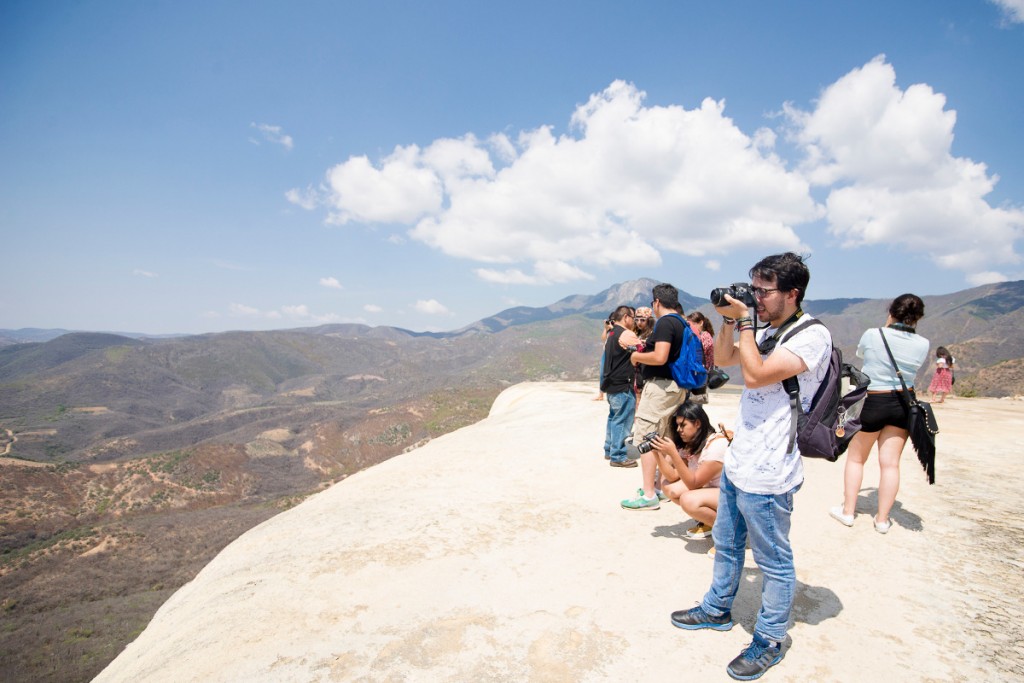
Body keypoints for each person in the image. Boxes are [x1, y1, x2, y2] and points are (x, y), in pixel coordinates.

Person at [670, 252, 831, 681]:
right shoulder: (764, 328)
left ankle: (771, 638)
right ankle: (717, 608)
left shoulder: (811, 336)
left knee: (773, 559)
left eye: (764, 291)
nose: (756, 297)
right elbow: (723, 361)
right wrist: (730, 320)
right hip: (741, 462)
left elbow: (757, 375)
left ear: (792, 293)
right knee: (726, 541)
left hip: (771, 470)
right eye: (753, 289)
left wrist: (744, 320)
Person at [830, 294, 929, 534]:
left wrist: (887, 326)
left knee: (856, 459)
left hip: (874, 400)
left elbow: (864, 355)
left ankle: (848, 512)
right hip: (903, 404)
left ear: (891, 311)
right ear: (917, 318)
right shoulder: (923, 343)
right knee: (890, 464)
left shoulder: (874, 335)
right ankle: (882, 520)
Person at [619, 284, 691, 511]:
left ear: (657, 302)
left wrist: (637, 356)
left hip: (660, 388)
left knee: (645, 438)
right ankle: (660, 487)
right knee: (663, 436)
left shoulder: (665, 323)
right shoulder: (681, 322)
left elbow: (660, 357)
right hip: (675, 387)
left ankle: (648, 494)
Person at [649, 402, 726, 548]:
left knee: (688, 500)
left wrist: (673, 453)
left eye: (682, 425)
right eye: (677, 426)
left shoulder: (716, 446)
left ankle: (729, 533)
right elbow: (672, 477)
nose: (679, 430)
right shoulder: (693, 443)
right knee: (670, 488)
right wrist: (657, 453)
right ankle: (709, 521)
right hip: (714, 491)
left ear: (697, 423)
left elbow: (693, 483)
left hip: (733, 496)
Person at [602, 306, 639, 467]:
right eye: (633, 317)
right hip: (623, 384)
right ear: (626, 317)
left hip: (611, 384)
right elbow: (643, 350)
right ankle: (619, 456)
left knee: (613, 418)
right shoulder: (626, 334)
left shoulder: (611, 333)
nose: (635, 321)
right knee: (623, 421)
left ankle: (609, 450)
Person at [686, 311, 715, 405]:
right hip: (696, 374)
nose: (691, 327)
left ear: (701, 323)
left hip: (699, 374)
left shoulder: (705, 336)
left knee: (695, 405)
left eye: (693, 324)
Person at [594, 318, 615, 401]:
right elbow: (603, 339)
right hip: (606, 352)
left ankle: (611, 391)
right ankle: (601, 394)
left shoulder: (617, 330)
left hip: (614, 353)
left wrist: (613, 327)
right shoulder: (609, 330)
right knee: (602, 372)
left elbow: (618, 335)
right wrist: (606, 328)